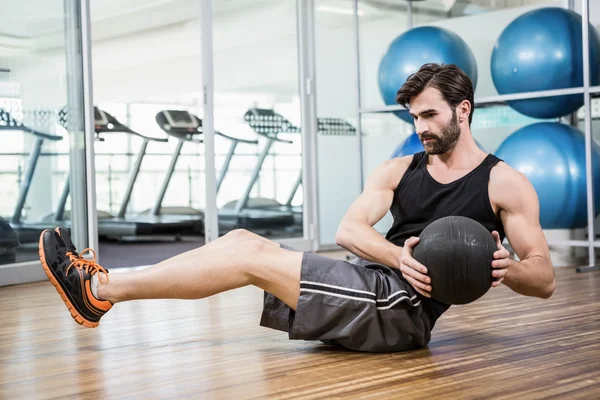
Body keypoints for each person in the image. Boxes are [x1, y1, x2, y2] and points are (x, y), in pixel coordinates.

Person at [39, 63, 555, 353]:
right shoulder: (400, 169)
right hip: (371, 281)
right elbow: (349, 229)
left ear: (462, 111)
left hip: (403, 313)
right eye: (412, 117)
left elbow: (545, 277)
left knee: (248, 258)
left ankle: (98, 291)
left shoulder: (504, 182)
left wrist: (506, 269)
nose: (419, 127)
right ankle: (101, 288)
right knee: (242, 242)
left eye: (429, 114)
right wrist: (401, 257)